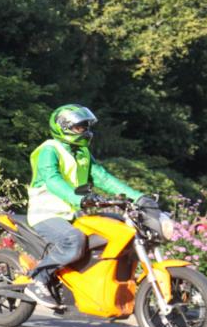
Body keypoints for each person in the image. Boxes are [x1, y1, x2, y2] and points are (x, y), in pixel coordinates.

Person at [23, 104, 155, 308]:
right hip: (46, 213)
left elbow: (103, 178)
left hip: (73, 213)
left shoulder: (82, 152)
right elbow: (53, 180)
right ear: (63, 127)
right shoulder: (49, 150)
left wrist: (139, 198)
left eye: (86, 126)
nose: (85, 131)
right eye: (79, 127)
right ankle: (38, 279)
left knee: (118, 226)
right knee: (73, 240)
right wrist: (80, 199)